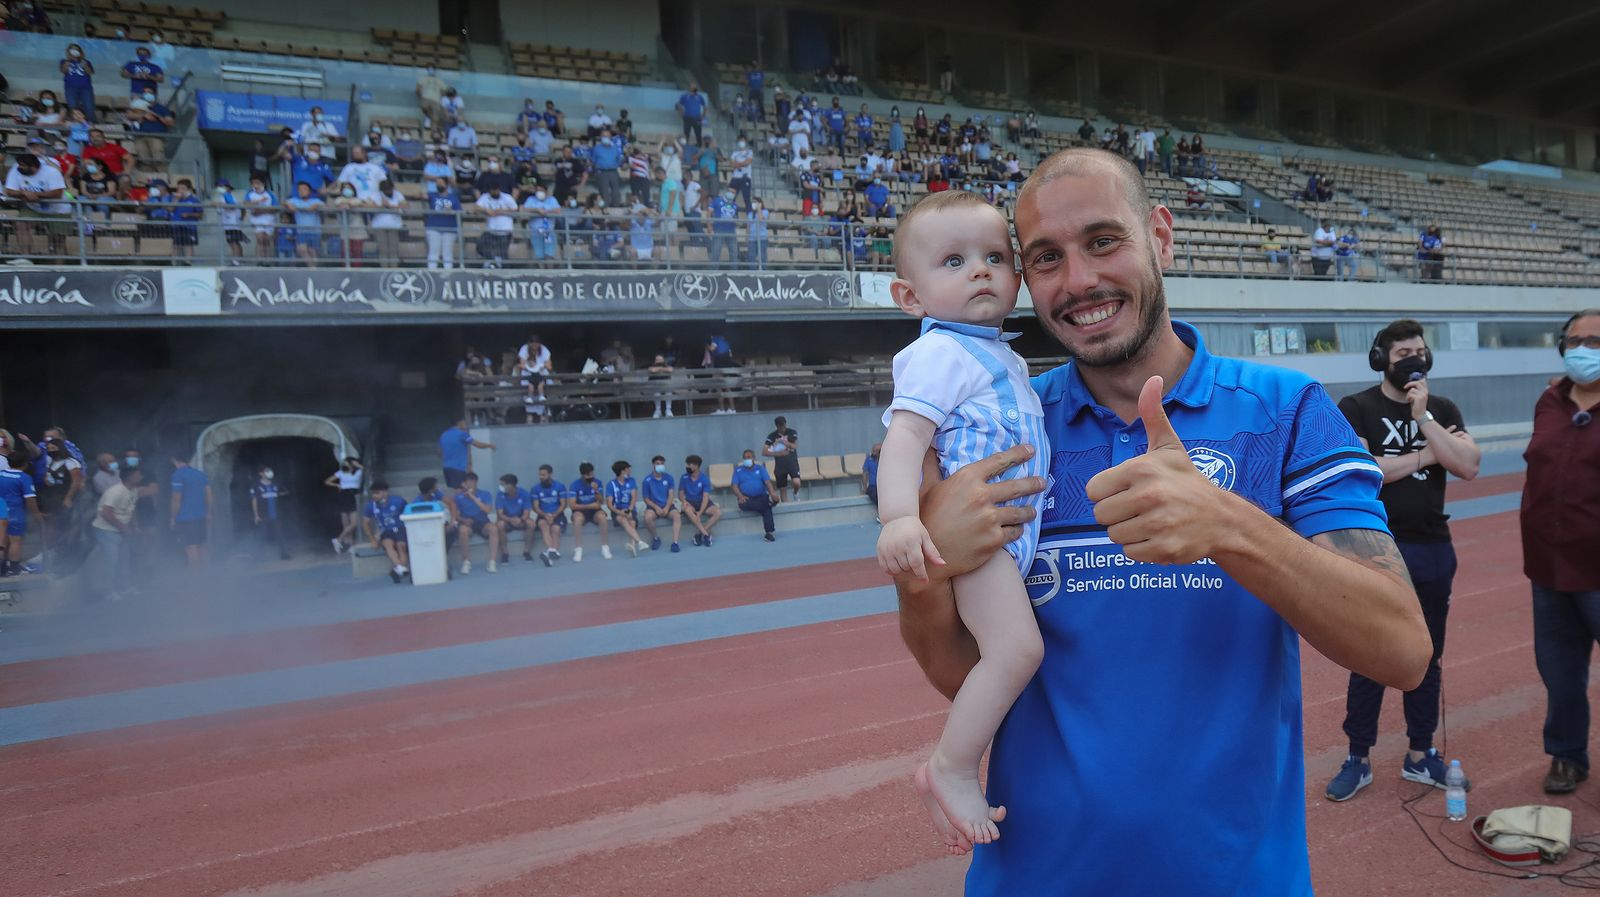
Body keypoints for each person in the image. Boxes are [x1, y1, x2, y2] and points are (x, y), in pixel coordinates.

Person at [895, 148, 1431, 890]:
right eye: (1046, 257)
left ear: (1162, 237)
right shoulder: (998, 431)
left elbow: (1402, 650)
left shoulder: (1286, 410)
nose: (1078, 282)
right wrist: (929, 573)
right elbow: (962, 674)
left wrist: (1229, 526)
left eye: (1103, 241)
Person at [874, 189, 1049, 851]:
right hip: (980, 546)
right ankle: (949, 764)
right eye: (953, 260)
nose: (980, 270)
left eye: (995, 257)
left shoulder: (995, 354)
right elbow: (905, 438)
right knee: (1017, 650)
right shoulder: (939, 352)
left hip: (1004, 541)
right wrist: (898, 517)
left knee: (1010, 649)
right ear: (910, 297)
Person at [1326, 319, 1480, 801]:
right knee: (1371, 653)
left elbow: (1469, 465)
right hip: (1377, 548)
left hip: (1434, 546)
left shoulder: (1442, 408)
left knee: (1427, 654)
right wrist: (1426, 456)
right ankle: (1358, 756)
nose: (1414, 359)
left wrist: (1425, 420)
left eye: (1420, 350)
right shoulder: (1356, 407)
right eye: (1403, 352)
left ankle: (1420, 753)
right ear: (1381, 359)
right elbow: (1366, 471)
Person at [1522, 309, 1600, 794]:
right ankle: (1567, 756)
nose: (1583, 348)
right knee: (1560, 673)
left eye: (1595, 340)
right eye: (1575, 340)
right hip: (1548, 568)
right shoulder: (1548, 401)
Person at [91, 465, 142, 601]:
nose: (140, 476)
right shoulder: (116, 492)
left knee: (124, 559)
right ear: (129, 477)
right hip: (107, 531)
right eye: (138, 474)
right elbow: (106, 513)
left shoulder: (134, 490)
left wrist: (134, 525)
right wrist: (124, 528)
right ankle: (109, 591)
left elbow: (132, 509)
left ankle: (125, 588)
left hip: (121, 530)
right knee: (111, 561)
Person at [0, 448, 40, 577]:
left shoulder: (0, 474)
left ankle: (1, 568)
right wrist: (36, 514)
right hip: (15, 512)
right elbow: (30, 499)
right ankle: (14, 568)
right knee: (15, 541)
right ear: (25, 463)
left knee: (2, 541)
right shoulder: (24, 478)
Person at [451, 472, 500, 575]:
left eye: (473, 481)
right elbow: (456, 515)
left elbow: (488, 510)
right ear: (464, 483)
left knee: (493, 529)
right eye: (468, 482)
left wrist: (473, 497)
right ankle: (466, 561)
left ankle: (492, 561)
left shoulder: (485, 494)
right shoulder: (458, 497)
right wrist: (464, 520)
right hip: (467, 523)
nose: (471, 484)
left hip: (482, 522)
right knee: (463, 531)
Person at [362, 481, 411, 584]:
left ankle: (396, 571)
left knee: (401, 546)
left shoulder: (398, 501)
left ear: (385, 492)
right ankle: (399, 567)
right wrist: (373, 539)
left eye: (377, 493)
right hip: (385, 530)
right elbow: (365, 523)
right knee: (388, 544)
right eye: (373, 493)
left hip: (401, 528)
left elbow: (409, 514)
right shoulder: (371, 506)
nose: (374, 496)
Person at [169, 454, 211, 568]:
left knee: (191, 548)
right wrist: (208, 513)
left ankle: (195, 581)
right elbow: (209, 495)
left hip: (185, 518)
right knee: (202, 546)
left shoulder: (177, 475)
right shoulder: (200, 474)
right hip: (201, 517)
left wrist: (173, 517)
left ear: (174, 460)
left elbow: (176, 499)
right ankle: (209, 576)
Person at [604, 460, 650, 558]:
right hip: (617, 511)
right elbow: (609, 504)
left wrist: (629, 509)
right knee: (624, 519)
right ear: (622, 471)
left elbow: (634, 497)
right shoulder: (611, 485)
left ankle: (632, 545)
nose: (630, 470)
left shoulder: (631, 481)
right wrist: (620, 512)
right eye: (628, 469)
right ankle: (639, 542)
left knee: (632, 522)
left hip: (629, 509)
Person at [731, 449, 778, 541]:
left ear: (753, 458)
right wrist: (740, 496)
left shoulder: (760, 469)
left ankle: (769, 533)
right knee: (767, 506)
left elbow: (768, 482)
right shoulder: (738, 470)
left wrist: (772, 493)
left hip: (761, 497)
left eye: (748, 457)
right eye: (744, 458)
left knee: (766, 507)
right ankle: (770, 504)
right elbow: (734, 486)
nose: (746, 459)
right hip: (746, 499)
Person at [568, 462, 610, 562]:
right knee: (577, 519)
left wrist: (596, 491)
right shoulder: (575, 485)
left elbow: (600, 502)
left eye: (592, 474)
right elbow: (572, 505)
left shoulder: (597, 483)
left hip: (594, 511)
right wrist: (588, 506)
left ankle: (605, 547)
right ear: (582, 475)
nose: (590, 476)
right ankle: (578, 549)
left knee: (602, 517)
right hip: (580, 511)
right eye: (588, 475)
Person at [640, 455, 681, 552]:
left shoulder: (669, 478)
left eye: (662, 464)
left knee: (677, 516)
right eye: (658, 464)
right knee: (647, 518)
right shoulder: (647, 480)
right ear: (653, 465)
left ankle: (675, 543)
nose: (660, 465)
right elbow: (646, 499)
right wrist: (656, 508)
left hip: (668, 506)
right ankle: (655, 538)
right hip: (653, 507)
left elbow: (671, 495)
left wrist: (666, 508)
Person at [249, 466, 291, 561]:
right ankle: (259, 556)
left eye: (269, 471)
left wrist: (279, 494)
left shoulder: (276, 484)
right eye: (266, 471)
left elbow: (285, 492)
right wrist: (256, 515)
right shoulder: (256, 486)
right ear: (261, 473)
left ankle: (284, 554)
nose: (269, 473)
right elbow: (254, 500)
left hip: (276, 514)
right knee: (262, 535)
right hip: (263, 515)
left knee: (280, 533)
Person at [678, 454, 721, 547]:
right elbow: (681, 494)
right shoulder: (684, 478)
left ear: (696, 466)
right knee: (687, 509)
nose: (688, 466)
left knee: (718, 513)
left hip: (703, 503)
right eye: (688, 464)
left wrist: (700, 513)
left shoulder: (704, 478)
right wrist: (684, 501)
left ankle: (699, 534)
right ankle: (706, 535)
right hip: (690, 502)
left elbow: (705, 497)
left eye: (690, 464)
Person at [439, 418, 494, 489]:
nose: (466, 425)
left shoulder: (444, 435)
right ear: (460, 423)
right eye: (465, 423)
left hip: (446, 467)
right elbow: (477, 444)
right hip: (458, 468)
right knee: (461, 491)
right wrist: (490, 445)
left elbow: (439, 452)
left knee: (457, 489)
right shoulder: (463, 435)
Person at [530, 465, 567, 567]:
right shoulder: (535, 489)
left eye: (543, 475)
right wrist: (545, 515)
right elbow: (535, 506)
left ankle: (549, 555)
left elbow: (563, 504)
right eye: (540, 475)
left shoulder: (559, 486)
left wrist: (554, 515)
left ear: (550, 474)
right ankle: (552, 551)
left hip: (557, 514)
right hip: (543, 515)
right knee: (543, 525)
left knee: (555, 529)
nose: (541, 477)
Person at [325, 456, 363, 553]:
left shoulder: (358, 472)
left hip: (353, 494)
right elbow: (327, 481)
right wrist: (337, 485)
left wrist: (356, 464)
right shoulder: (341, 473)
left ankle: (338, 539)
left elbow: (364, 469)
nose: (346, 464)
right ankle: (349, 544)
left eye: (348, 463)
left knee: (353, 523)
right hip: (344, 495)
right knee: (346, 522)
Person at [494, 473, 535, 564]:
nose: (501, 487)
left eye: (503, 484)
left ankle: (527, 552)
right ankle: (505, 553)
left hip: (520, 520)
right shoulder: (500, 495)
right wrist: (510, 520)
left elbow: (526, 512)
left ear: (511, 485)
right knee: (499, 525)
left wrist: (520, 519)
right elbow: (500, 514)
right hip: (506, 520)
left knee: (531, 524)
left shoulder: (524, 493)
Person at [762, 416, 803, 502]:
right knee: (782, 489)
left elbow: (794, 446)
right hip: (780, 465)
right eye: (780, 426)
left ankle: (795, 493)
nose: (782, 428)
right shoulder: (772, 436)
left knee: (796, 482)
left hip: (792, 462)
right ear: (777, 426)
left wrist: (783, 442)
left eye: (783, 425)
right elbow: (764, 452)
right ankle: (786, 507)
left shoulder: (791, 432)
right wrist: (779, 453)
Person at [424, 176, 462, 269]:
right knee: (433, 251)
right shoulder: (432, 195)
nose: (438, 185)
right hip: (433, 227)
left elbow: (459, 212)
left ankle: (448, 272)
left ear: (446, 184)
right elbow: (421, 195)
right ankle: (432, 271)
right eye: (437, 183)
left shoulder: (453, 198)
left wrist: (452, 211)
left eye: (441, 183)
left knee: (447, 252)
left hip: (449, 228)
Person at [60, 42, 95, 122]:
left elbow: (90, 72)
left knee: (88, 106)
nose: (74, 51)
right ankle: (75, 123)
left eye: (76, 50)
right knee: (72, 106)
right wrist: (69, 59)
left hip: (86, 88)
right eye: (72, 50)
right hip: (70, 88)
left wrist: (82, 60)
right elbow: (63, 70)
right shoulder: (64, 61)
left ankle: (89, 123)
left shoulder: (86, 62)